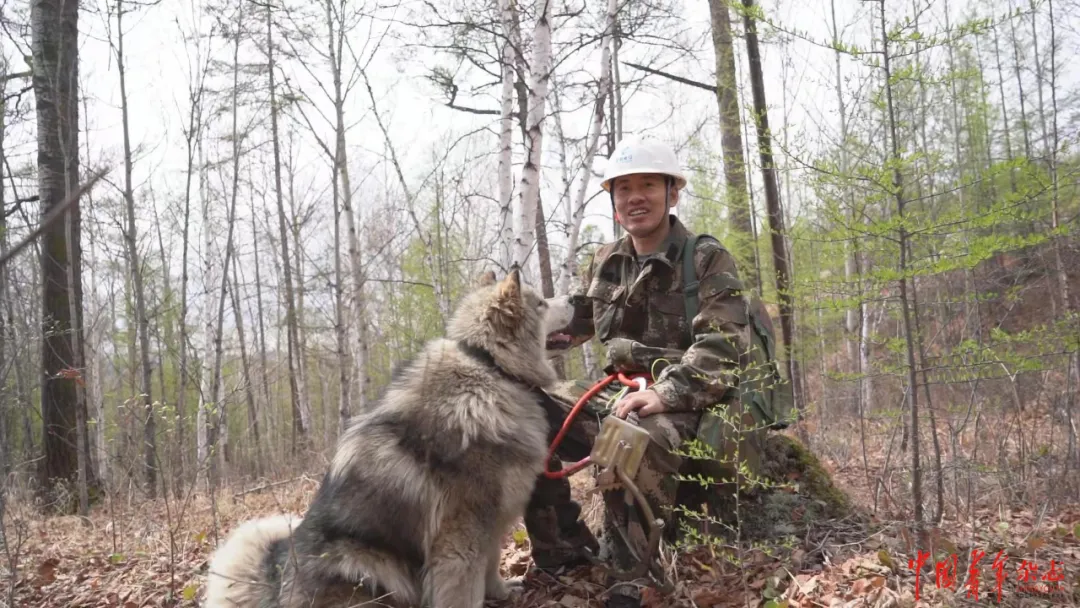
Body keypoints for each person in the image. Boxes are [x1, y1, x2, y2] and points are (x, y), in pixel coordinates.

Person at [523, 137, 768, 608]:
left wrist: (665, 393)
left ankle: (630, 577)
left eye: (648, 186)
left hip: (684, 403)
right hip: (616, 392)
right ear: (614, 202)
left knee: (628, 432)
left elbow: (721, 347)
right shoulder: (606, 260)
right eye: (624, 188)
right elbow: (575, 323)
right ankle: (562, 550)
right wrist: (504, 340)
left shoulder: (706, 258)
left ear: (672, 193)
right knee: (522, 408)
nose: (635, 197)